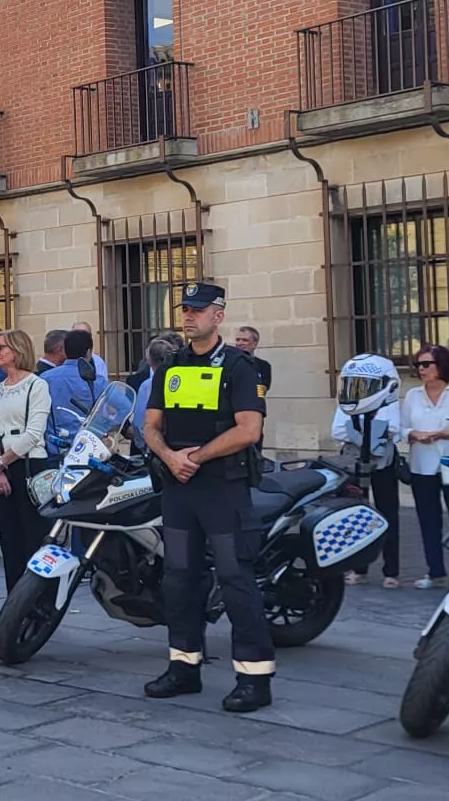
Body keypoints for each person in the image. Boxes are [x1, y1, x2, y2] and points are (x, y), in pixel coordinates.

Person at [141, 282, 273, 712]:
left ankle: (254, 678)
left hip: (222, 488)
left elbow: (248, 430)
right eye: (186, 309)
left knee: (236, 580)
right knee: (178, 579)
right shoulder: (171, 366)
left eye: (198, 310)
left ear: (218, 316)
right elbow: (151, 425)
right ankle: (184, 667)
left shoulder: (238, 366)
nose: (189, 316)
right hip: (180, 489)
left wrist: (194, 456)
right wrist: (168, 456)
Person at [399, 344, 449, 589]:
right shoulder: (413, 395)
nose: (421, 370)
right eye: (418, 365)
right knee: (427, 520)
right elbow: (401, 428)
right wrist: (414, 433)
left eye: (426, 364)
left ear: (441, 365)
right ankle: (435, 573)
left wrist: (448, 434)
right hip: (422, 465)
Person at [0, 328, 53, 593]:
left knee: (32, 538)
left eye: (1, 348)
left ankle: (36, 602)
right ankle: (14, 602)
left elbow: (34, 433)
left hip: (28, 466)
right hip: (1, 467)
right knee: (9, 539)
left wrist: (1, 463)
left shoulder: (37, 385)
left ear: (17, 351)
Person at [332, 353, 400, 587]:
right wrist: (372, 436)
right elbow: (337, 430)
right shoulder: (348, 401)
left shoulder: (390, 401)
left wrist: (357, 433)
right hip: (354, 463)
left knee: (388, 513)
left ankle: (391, 571)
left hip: (383, 464)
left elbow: (395, 429)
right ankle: (358, 568)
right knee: (354, 513)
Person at [45, 329, 109, 441]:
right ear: (89, 352)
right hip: (88, 445)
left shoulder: (46, 378)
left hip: (55, 446)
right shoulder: (99, 381)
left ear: (64, 351)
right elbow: (120, 409)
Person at [130, 337, 178, 453]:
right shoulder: (178, 382)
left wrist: (144, 447)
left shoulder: (146, 386)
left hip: (153, 449)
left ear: (149, 360)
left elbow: (139, 423)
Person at [234, 326, 272, 396]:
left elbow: (261, 393)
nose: (240, 343)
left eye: (245, 340)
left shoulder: (263, 366)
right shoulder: (227, 363)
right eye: (237, 340)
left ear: (255, 344)